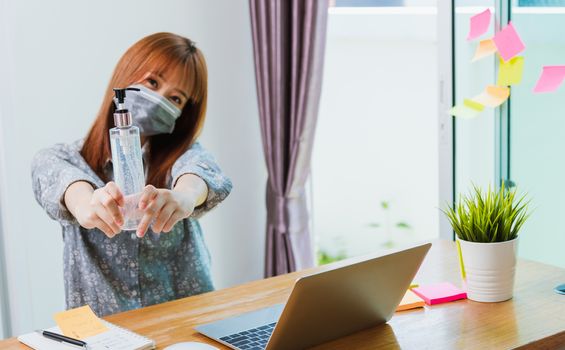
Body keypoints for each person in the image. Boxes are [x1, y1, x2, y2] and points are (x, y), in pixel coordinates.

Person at [31, 32, 232, 317]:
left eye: (175, 98)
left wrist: (183, 198)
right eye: (152, 82)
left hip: (185, 318)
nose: (158, 99)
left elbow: (200, 174)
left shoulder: (183, 157)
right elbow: (65, 184)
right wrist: (88, 203)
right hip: (105, 328)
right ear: (125, 76)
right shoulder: (62, 159)